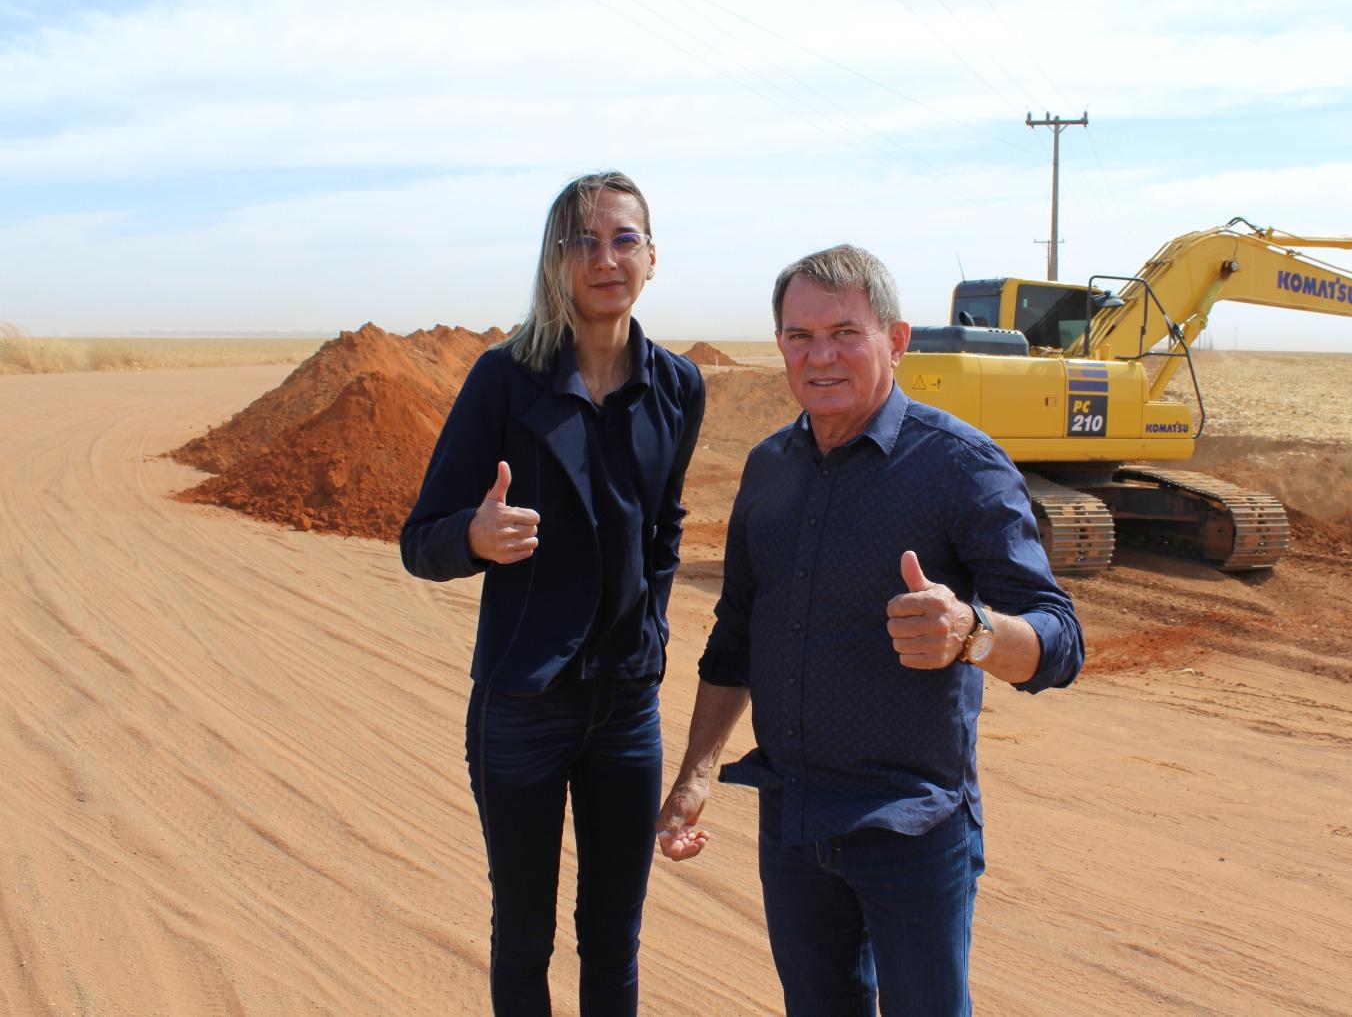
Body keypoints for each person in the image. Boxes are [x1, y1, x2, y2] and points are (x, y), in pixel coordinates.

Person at [655, 244, 1083, 1015]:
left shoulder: (961, 466)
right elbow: (735, 634)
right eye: (798, 336)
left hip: (913, 829)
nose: (820, 356)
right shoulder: (768, 468)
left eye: (845, 332)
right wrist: (695, 774)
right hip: (792, 819)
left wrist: (973, 632)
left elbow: (1061, 641)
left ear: (898, 339)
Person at [400, 170, 704, 1016]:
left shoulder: (677, 387)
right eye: (584, 240)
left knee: (615, 934)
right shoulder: (505, 380)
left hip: (627, 711)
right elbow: (419, 540)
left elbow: (665, 527)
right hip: (522, 705)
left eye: (624, 239)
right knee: (524, 930)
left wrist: (649, 631)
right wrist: (473, 537)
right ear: (555, 259)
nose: (606, 258)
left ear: (652, 255)